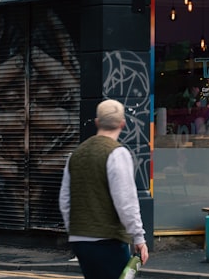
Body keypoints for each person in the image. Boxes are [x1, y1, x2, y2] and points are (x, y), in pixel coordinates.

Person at [59, 99, 149, 279]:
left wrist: (77, 230)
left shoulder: (76, 155)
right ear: (122, 124)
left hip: (80, 240)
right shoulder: (117, 153)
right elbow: (126, 202)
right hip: (108, 240)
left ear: (97, 122)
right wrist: (138, 238)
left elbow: (65, 200)